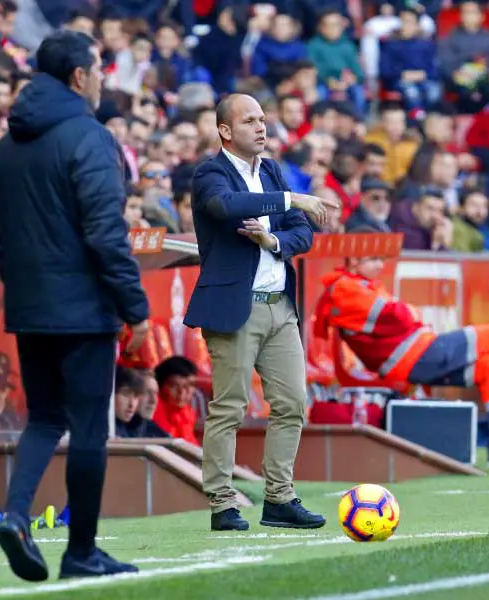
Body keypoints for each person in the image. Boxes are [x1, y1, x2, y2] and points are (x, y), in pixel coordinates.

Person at [0, 31, 150, 581]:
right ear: (80, 75)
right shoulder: (91, 137)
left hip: (30, 306)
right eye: (100, 67)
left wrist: (27, 285)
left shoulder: (7, 146)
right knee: (84, 427)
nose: (104, 78)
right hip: (81, 309)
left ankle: (14, 516)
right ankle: (81, 551)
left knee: (44, 418)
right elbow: (107, 234)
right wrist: (136, 307)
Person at [186, 93, 337, 532]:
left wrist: (273, 243)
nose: (261, 127)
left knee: (292, 403)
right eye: (249, 120)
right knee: (229, 407)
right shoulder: (211, 173)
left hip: (279, 306)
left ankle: (279, 498)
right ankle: (220, 502)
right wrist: (293, 199)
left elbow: (302, 235)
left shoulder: (270, 170)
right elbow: (226, 207)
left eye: (263, 119)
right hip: (236, 307)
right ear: (225, 131)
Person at [314, 245, 489, 467]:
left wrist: (408, 312)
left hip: (418, 353)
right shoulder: (344, 287)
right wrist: (408, 310)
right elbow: (399, 316)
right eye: (374, 259)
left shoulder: (361, 285)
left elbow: (400, 316)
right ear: (354, 259)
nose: (380, 265)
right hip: (411, 357)